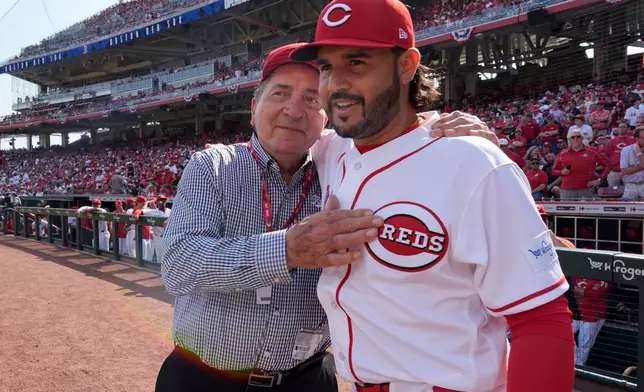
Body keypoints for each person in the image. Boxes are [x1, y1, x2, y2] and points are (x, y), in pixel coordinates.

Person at [158, 42, 493, 392]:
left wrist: (461, 141)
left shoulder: (345, 164)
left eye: (311, 99)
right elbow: (179, 263)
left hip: (307, 378)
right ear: (254, 108)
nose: (293, 110)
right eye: (280, 93)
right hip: (203, 377)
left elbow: (401, 136)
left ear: (328, 116)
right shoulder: (212, 166)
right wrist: (287, 249)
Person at [289, 0, 574, 391]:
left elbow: (542, 321)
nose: (336, 83)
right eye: (326, 67)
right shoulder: (330, 150)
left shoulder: (472, 160)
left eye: (357, 63)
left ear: (406, 66)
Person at [553, 128, 608, 200]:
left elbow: (607, 165)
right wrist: (562, 172)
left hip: (586, 190)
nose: (576, 139)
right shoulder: (562, 153)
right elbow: (553, 171)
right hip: (567, 191)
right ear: (569, 140)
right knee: (567, 212)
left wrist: (599, 180)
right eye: (573, 137)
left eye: (578, 136)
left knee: (587, 211)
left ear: (582, 138)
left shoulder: (592, 151)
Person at [145, 195, 171, 263]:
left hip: (169, 237)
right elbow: (140, 211)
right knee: (159, 258)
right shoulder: (152, 212)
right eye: (160, 200)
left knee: (168, 257)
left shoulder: (170, 211)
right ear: (157, 202)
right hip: (158, 237)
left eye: (164, 200)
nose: (162, 202)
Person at [620, 127, 644, 200]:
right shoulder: (626, 150)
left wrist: (639, 154)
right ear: (637, 139)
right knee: (627, 208)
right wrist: (641, 166)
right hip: (630, 185)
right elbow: (624, 171)